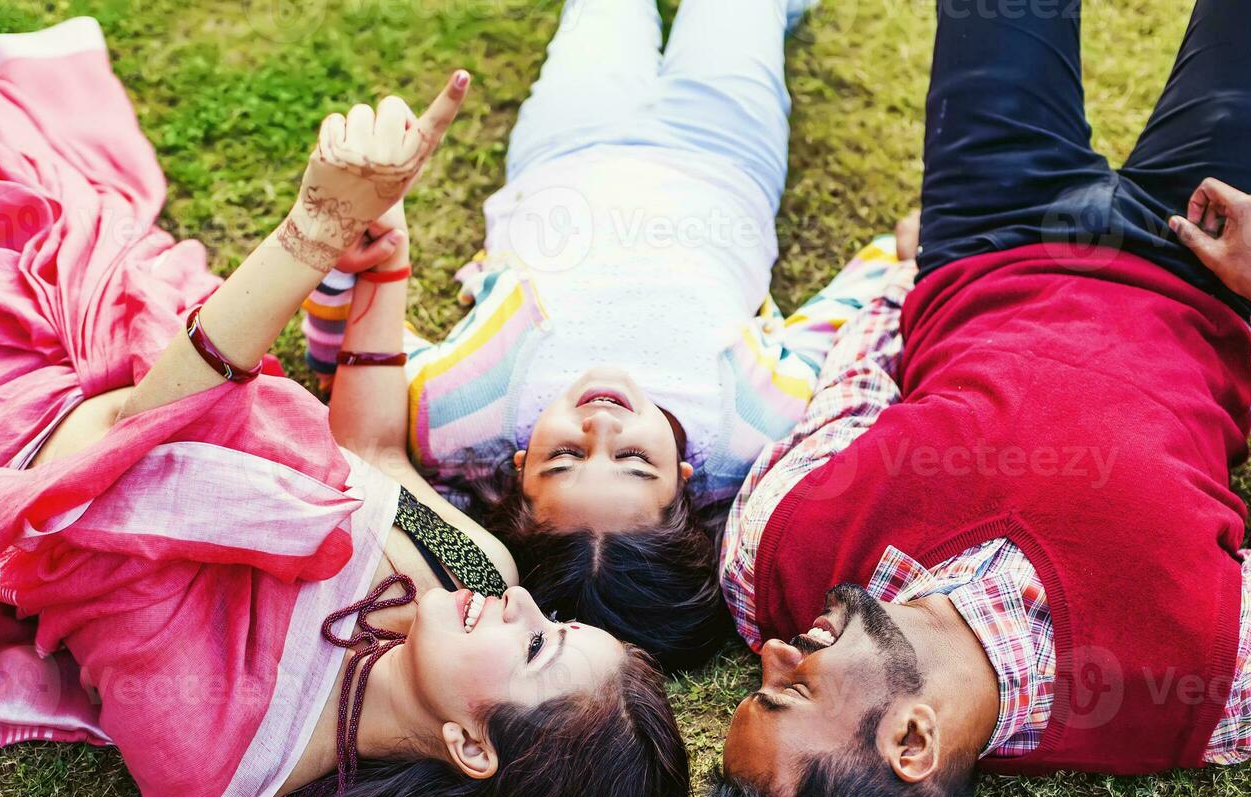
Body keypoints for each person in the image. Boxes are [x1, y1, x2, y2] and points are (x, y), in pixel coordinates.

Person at [0, 17, 688, 797]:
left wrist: (313, 233)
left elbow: (102, 457)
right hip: (168, 332)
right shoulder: (475, 572)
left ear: (471, 745)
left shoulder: (217, 740)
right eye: (557, 619)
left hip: (5, 407)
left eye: (539, 643)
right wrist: (384, 276)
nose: (524, 600)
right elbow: (368, 455)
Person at [663, 0, 1251, 797]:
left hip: (984, 230)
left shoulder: (769, 559)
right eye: (786, 692)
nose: (771, 653)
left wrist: (902, 275)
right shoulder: (1205, 685)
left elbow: (856, 390)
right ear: (910, 743)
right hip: (1201, 271)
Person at [301, 0, 903, 669]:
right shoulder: (748, 427)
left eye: (564, 459)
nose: (602, 428)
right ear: (684, 479)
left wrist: (336, 271)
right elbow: (837, 330)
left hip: (566, 146)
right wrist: (893, 258)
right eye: (634, 463)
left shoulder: (462, 412)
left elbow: (347, 360)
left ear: (519, 468)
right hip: (725, 154)